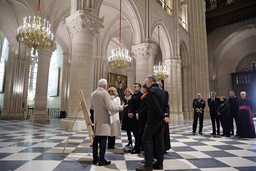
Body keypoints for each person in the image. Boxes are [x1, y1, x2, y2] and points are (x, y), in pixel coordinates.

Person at [136, 75, 169, 171]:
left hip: (153, 120)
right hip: (160, 121)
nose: (146, 82)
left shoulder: (151, 91)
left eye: (146, 81)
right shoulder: (162, 91)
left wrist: (163, 116)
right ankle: (159, 163)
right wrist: (164, 116)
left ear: (151, 81)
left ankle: (148, 164)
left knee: (146, 138)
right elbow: (165, 105)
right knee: (159, 140)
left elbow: (155, 105)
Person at [91, 79, 127, 166]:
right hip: (104, 120)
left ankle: (95, 158)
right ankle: (102, 159)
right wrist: (121, 107)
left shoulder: (93, 93)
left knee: (96, 140)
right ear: (105, 86)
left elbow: (92, 107)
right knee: (103, 140)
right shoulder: (104, 93)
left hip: (96, 120)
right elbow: (110, 107)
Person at [128, 83, 143, 154]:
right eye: (133, 87)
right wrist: (129, 112)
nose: (134, 88)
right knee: (134, 132)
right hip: (132, 117)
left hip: (138, 117)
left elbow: (141, 107)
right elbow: (130, 105)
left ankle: (137, 148)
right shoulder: (133, 95)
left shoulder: (141, 95)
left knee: (138, 133)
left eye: (135, 87)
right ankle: (136, 146)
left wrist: (134, 113)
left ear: (139, 88)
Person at [157, 81, 171, 151]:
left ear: (160, 86)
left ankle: (165, 147)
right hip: (158, 114)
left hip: (163, 114)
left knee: (164, 132)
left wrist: (166, 114)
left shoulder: (165, 92)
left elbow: (166, 104)